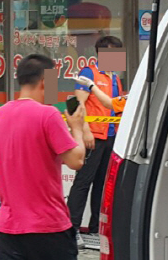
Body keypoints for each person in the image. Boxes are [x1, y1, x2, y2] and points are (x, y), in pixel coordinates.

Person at [0, 54, 86, 260]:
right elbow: (76, 161)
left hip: (9, 228)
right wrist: (77, 129)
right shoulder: (48, 115)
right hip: (48, 226)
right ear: (45, 81)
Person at [66, 36, 124, 248]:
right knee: (83, 182)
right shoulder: (89, 72)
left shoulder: (115, 78)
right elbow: (79, 103)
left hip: (110, 136)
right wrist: (86, 130)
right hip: (93, 137)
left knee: (102, 184)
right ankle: (71, 229)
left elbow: (113, 107)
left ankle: (94, 228)